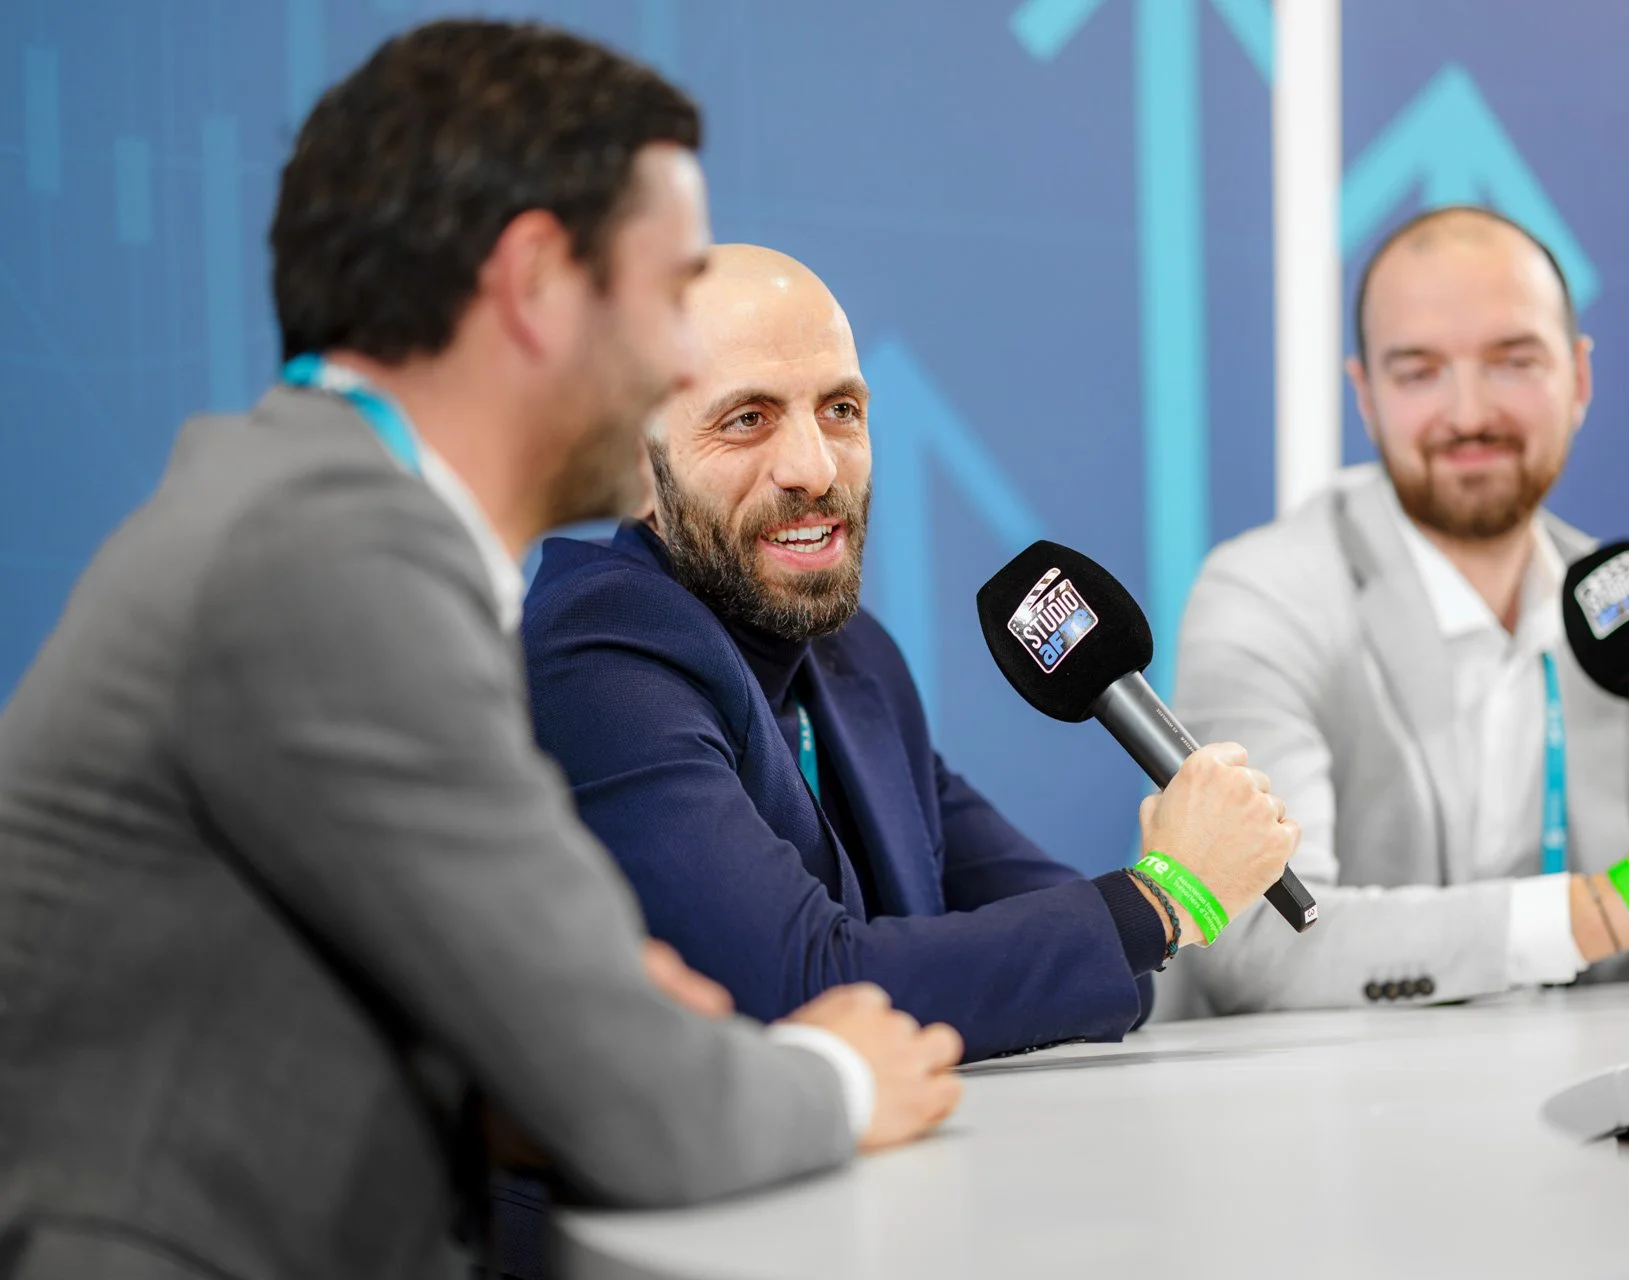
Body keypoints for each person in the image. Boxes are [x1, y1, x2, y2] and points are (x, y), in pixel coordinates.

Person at [0, 23, 960, 1280]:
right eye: (668, 294)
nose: (685, 360)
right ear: (535, 283)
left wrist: (560, 1037)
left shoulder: (322, 516)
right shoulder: (329, 564)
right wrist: (839, 1072)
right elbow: (638, 1101)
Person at [520, 245, 1299, 1062]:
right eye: (746, 419)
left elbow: (1107, 971)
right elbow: (803, 994)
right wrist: (1167, 899)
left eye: (840, 410)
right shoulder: (597, 651)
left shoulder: (853, 657)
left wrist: (1134, 925)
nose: (814, 468)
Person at [1170, 205, 1629, 1014]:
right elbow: (1255, 943)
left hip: (1574, 1092)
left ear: (1579, 378)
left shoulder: (1616, 608)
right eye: (1419, 372)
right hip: (1317, 1094)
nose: (1468, 414)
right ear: (1367, 397)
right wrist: (1620, 902)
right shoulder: (1265, 594)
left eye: (1513, 362)